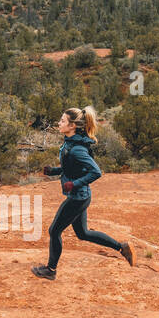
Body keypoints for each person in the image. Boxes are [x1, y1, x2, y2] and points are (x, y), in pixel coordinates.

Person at [32, 106, 135, 280]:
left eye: (63, 121)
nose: (59, 123)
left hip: (77, 198)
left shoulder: (77, 148)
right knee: (83, 233)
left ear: (72, 125)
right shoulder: (71, 142)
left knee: (54, 231)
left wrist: (74, 184)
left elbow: (96, 172)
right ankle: (122, 247)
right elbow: (72, 168)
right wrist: (54, 171)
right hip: (81, 196)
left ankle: (51, 270)